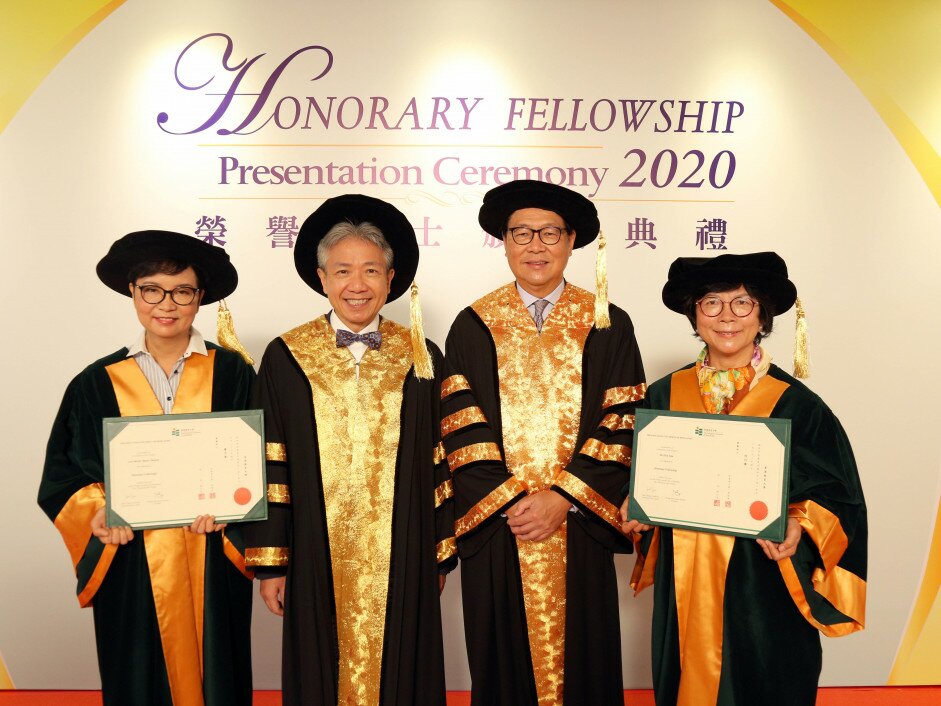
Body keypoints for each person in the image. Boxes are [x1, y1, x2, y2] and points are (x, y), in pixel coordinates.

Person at [622, 252, 867, 706]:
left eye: (743, 303)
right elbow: (646, 476)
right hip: (686, 585)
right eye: (712, 303)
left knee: (763, 682)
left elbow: (839, 497)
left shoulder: (798, 405)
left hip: (762, 588)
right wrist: (636, 503)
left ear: (762, 316)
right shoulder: (662, 395)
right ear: (694, 314)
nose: (727, 317)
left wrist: (799, 524)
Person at [243, 194, 456, 706]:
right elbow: (267, 460)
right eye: (342, 271)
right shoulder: (286, 356)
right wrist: (272, 562)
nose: (356, 285)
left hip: (405, 549)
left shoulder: (423, 356)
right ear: (321, 279)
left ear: (391, 278)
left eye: (370, 271)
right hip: (315, 550)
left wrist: (440, 555)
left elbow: (443, 460)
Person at [443, 179, 646, 706]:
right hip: (501, 528)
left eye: (550, 233)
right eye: (521, 233)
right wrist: (513, 503)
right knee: (501, 658)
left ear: (572, 240)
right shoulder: (471, 325)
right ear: (504, 242)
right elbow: (460, 429)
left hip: (577, 524)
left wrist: (563, 499)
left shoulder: (608, 322)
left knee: (585, 660)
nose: (536, 245)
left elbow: (621, 422)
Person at [38, 230, 256, 706]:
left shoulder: (235, 373)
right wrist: (98, 512)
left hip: (212, 559)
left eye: (183, 291)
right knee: (136, 677)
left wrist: (236, 511)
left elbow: (263, 462)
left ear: (200, 299)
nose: (167, 304)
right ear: (132, 293)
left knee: (220, 674)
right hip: (132, 563)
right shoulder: (95, 382)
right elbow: (62, 473)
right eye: (152, 289)